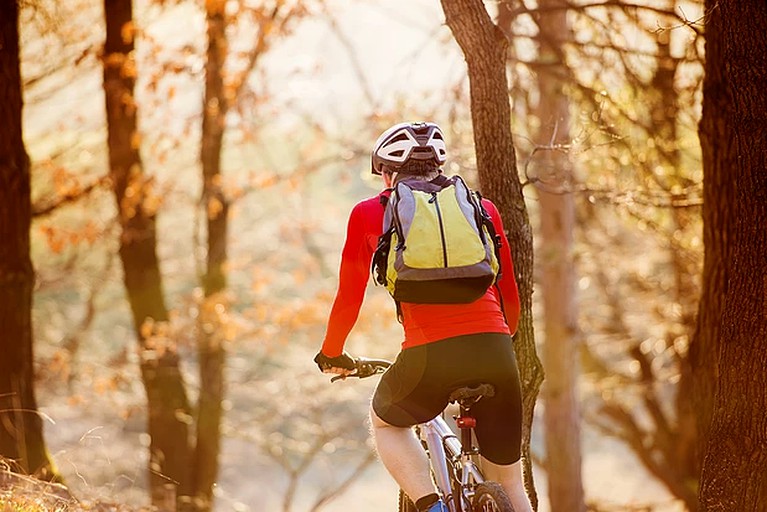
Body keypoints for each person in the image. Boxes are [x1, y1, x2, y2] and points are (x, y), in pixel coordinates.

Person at [314, 121, 533, 512]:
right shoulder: (482, 209)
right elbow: (509, 294)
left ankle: (433, 506)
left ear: (386, 172)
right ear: (439, 164)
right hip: (497, 352)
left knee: (386, 422)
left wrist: (332, 353)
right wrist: (498, 342)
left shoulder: (370, 212)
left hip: (429, 355)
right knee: (511, 484)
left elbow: (349, 297)